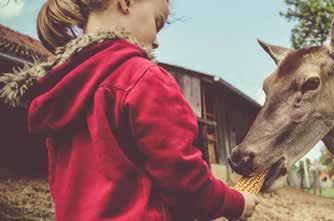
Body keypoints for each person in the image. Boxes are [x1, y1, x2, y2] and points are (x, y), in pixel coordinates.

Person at [0, 0, 257, 220]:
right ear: (126, 2)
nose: (156, 41)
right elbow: (185, 180)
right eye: (158, 23)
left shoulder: (60, 92)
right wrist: (236, 203)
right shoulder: (143, 77)